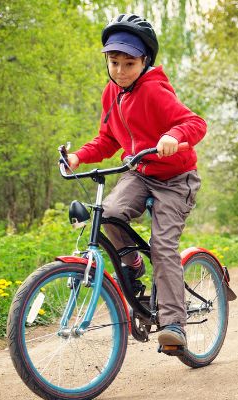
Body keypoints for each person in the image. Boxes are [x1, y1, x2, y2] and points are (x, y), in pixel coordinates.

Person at [64, 13, 206, 347]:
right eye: (114, 62)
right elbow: (107, 140)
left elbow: (196, 123)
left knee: (163, 245)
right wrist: (78, 156)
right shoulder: (110, 93)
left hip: (176, 179)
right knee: (109, 212)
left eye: (129, 63)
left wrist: (174, 135)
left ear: (145, 62)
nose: (120, 70)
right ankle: (132, 262)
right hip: (140, 172)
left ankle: (174, 324)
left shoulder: (155, 92)